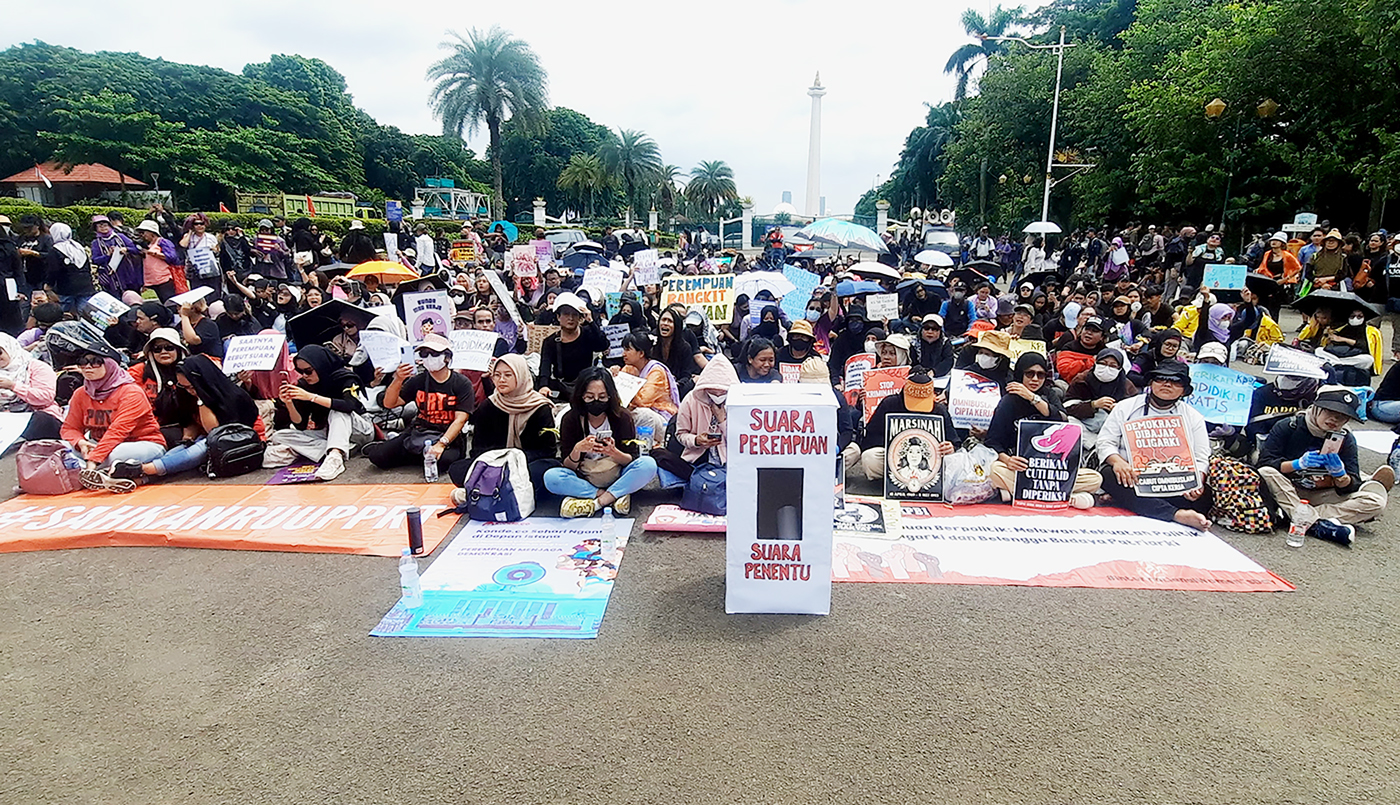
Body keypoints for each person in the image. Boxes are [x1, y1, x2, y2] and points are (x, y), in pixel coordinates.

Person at [1256, 388, 1394, 545]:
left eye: (1342, 417)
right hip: (1289, 489)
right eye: (1329, 412)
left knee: (1375, 502)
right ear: (1316, 408)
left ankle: (1300, 517)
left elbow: (1350, 483)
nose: (1334, 419)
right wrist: (1297, 464)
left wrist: (1340, 475)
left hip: (1322, 492)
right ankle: (1317, 523)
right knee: (1265, 472)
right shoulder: (1289, 426)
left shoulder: (1346, 438)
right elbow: (1264, 463)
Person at [109, 354, 264, 483]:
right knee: (181, 450)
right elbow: (190, 422)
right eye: (185, 387)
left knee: (203, 446)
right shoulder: (186, 395)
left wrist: (202, 399)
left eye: (192, 386)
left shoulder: (234, 395)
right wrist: (187, 438)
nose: (189, 391)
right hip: (208, 438)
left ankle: (141, 470)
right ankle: (141, 478)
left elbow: (215, 432)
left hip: (239, 440)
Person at [1097, 361, 1213, 530]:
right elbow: (1105, 442)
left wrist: (1198, 481)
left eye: (1175, 381)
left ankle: (1133, 503)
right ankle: (1176, 515)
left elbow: (1201, 456)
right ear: (1151, 383)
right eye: (1161, 379)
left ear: (1184, 390)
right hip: (1132, 477)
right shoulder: (1126, 407)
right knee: (1108, 475)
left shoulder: (1194, 417)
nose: (1167, 384)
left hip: (1174, 479)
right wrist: (1118, 462)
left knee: (1205, 496)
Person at [986, 353, 1103, 508]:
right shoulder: (1009, 401)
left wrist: (1033, 398)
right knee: (995, 470)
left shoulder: (1049, 394)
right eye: (1029, 374)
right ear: (1021, 373)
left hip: (1052, 470)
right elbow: (993, 441)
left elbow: (1062, 420)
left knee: (1095, 479)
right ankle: (1064, 496)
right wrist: (1008, 460)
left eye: (1040, 375)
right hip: (1021, 468)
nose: (1035, 379)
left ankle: (1015, 493)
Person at [545, 367, 658, 517]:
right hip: (585, 476)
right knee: (551, 477)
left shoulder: (622, 417)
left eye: (602, 397)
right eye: (590, 397)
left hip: (617, 473)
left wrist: (613, 452)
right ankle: (612, 495)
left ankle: (599, 502)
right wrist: (578, 450)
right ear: (581, 396)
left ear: (610, 396)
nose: (596, 402)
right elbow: (567, 466)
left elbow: (631, 459)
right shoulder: (570, 419)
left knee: (648, 464)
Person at [61, 341, 166, 493]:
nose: (88, 367)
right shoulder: (80, 393)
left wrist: (93, 461)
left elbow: (118, 431)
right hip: (97, 444)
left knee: (116, 454)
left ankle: (84, 472)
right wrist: (80, 442)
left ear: (110, 364)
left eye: (96, 362)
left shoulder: (131, 392)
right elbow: (69, 428)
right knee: (60, 447)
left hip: (142, 443)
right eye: (83, 362)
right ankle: (109, 475)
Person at [261, 344, 374, 481]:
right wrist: (289, 403)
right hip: (329, 432)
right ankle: (338, 449)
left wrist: (311, 397)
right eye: (300, 371)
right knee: (280, 436)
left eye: (308, 371)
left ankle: (335, 457)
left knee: (337, 411)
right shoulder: (305, 385)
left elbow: (349, 406)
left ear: (320, 366)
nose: (304, 375)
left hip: (358, 428)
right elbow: (300, 424)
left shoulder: (344, 378)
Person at [447, 354, 559, 492]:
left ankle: (492, 487)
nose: (501, 380)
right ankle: (503, 486)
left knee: (548, 470)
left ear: (521, 375)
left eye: (508, 375)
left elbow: (548, 450)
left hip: (526, 464)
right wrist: (499, 460)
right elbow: (477, 449)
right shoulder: (488, 405)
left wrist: (514, 459)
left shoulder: (540, 407)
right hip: (495, 463)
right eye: (497, 375)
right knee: (457, 469)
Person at [365, 333, 473, 473]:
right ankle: (414, 453)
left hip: (447, 436)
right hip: (419, 431)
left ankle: (414, 455)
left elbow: (460, 419)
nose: (429, 358)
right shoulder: (418, 380)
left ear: (446, 357)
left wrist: (441, 444)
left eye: (434, 354)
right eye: (424, 354)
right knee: (377, 457)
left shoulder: (461, 383)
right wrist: (398, 379)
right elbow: (389, 404)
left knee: (445, 462)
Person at [850, 371, 956, 482]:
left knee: (953, 461)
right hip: (894, 461)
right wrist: (892, 446)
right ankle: (889, 484)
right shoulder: (890, 404)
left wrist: (950, 447)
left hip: (929, 464)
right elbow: (870, 438)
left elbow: (954, 441)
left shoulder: (939, 410)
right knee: (869, 458)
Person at [656, 353, 739, 481]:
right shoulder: (691, 400)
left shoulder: (739, 403)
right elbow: (681, 434)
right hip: (696, 460)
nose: (717, 394)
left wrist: (722, 420)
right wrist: (696, 440)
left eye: (722, 392)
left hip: (731, 462)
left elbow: (741, 441)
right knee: (659, 455)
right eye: (712, 391)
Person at [538, 292, 609, 399]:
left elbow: (603, 345)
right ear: (558, 317)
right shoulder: (550, 342)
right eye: (566, 314)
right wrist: (543, 386)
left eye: (574, 314)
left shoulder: (587, 334)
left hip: (586, 386)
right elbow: (545, 366)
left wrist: (591, 322)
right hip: (562, 388)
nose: (570, 318)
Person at [1064, 348, 1138, 447]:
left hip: (1113, 426)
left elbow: (1137, 412)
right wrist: (1093, 405)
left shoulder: (1126, 385)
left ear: (1120, 369)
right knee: (1069, 421)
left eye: (1113, 366)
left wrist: (1120, 408)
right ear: (1095, 363)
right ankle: (1094, 447)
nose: (1107, 368)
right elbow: (1068, 408)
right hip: (1087, 424)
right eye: (1103, 363)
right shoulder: (1081, 380)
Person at [613, 331, 679, 439]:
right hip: (639, 414)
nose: (623, 354)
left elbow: (642, 401)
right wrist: (614, 375)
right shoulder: (629, 368)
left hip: (661, 419)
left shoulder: (656, 371)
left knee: (643, 413)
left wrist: (626, 393)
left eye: (628, 350)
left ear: (641, 353)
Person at [0, 331, 63, 441]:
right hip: (7, 420)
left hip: (38, 416)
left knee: (40, 419)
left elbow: (45, 398)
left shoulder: (36, 367)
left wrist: (13, 386)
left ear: (9, 348)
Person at [45, 223, 96, 314]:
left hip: (66, 287)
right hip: (85, 286)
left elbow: (53, 270)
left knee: (63, 314)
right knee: (85, 313)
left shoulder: (55, 250)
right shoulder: (78, 247)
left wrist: (49, 284)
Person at [89, 214, 141, 296]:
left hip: (127, 273)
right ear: (96, 229)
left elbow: (136, 249)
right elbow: (95, 260)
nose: (103, 227)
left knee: (133, 296)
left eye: (105, 225)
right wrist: (108, 255)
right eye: (100, 226)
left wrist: (126, 249)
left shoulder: (120, 237)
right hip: (111, 277)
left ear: (110, 226)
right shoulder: (96, 243)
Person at [1053, 316, 1109, 386]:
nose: (1089, 333)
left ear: (1102, 337)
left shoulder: (1105, 353)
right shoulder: (1069, 348)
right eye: (1087, 329)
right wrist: (1090, 362)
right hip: (1069, 385)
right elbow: (1064, 371)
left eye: (1094, 331)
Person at [135, 219, 182, 302]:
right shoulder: (147, 244)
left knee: (170, 302)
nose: (142, 235)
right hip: (152, 280)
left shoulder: (163, 242)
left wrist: (152, 253)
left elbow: (173, 257)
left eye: (144, 232)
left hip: (164, 279)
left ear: (152, 232)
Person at [180, 214, 222, 299]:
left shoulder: (211, 237)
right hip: (195, 271)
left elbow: (218, 251)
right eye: (196, 224)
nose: (199, 226)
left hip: (210, 270)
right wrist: (190, 232)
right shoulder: (189, 237)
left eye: (201, 223)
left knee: (214, 294)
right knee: (197, 295)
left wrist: (214, 250)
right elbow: (183, 245)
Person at [178, 295, 224, 360]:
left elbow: (192, 340)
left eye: (180, 307)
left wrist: (184, 316)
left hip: (210, 361)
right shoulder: (180, 324)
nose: (178, 310)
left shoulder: (209, 324)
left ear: (192, 308)